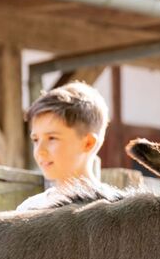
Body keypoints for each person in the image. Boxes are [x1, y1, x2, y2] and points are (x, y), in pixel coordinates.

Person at [16, 82, 110, 212]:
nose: (40, 151)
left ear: (88, 143)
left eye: (52, 138)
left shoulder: (112, 208)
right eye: (36, 140)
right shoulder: (29, 209)